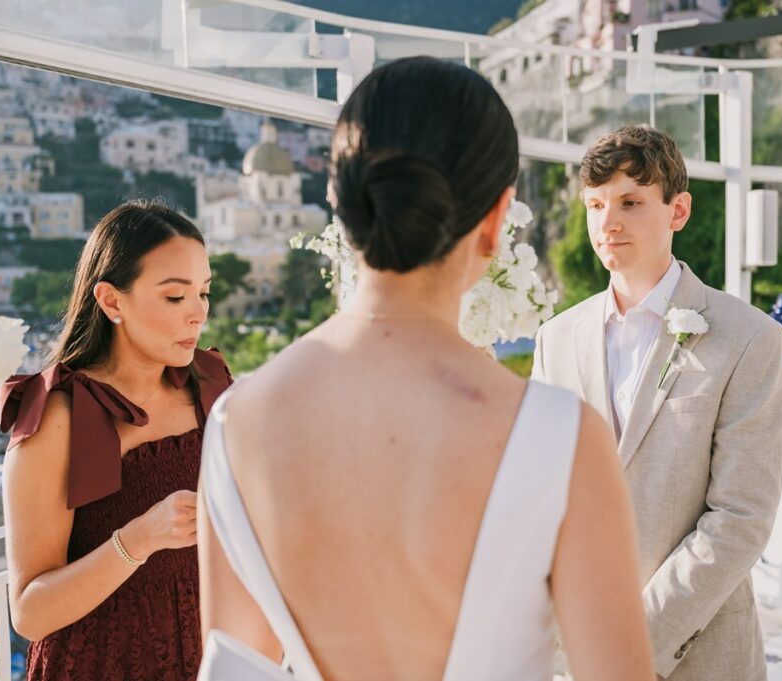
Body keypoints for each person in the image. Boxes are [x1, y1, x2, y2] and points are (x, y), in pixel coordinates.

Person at [196, 57, 654, 681]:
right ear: (496, 220)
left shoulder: (235, 420)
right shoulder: (563, 437)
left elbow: (233, 670)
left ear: (340, 204)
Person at [532, 125, 782, 681]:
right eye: (595, 205)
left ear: (679, 211)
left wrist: (633, 646)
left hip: (697, 653)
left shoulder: (751, 339)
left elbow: (741, 518)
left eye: (630, 202)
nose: (608, 222)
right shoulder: (555, 340)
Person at [0, 200, 232, 680]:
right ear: (111, 301)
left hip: (209, 660)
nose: (197, 316)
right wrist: (138, 538)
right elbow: (29, 613)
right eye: (175, 297)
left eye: (204, 293)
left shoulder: (209, 383)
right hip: (100, 664)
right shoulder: (58, 417)